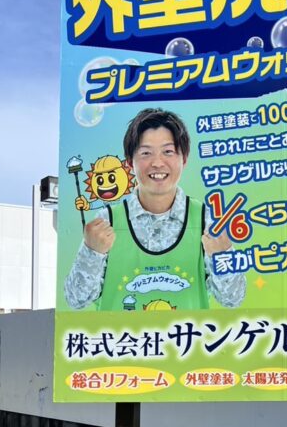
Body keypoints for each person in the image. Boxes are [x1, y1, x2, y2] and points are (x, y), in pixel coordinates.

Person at [64, 108, 245, 310]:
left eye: (168, 151)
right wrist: (92, 252)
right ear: (130, 162)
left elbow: (232, 300)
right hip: (122, 333)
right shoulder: (107, 221)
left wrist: (223, 254)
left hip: (187, 332)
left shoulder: (207, 220)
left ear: (184, 159)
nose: (157, 163)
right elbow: (76, 300)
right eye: (146, 153)